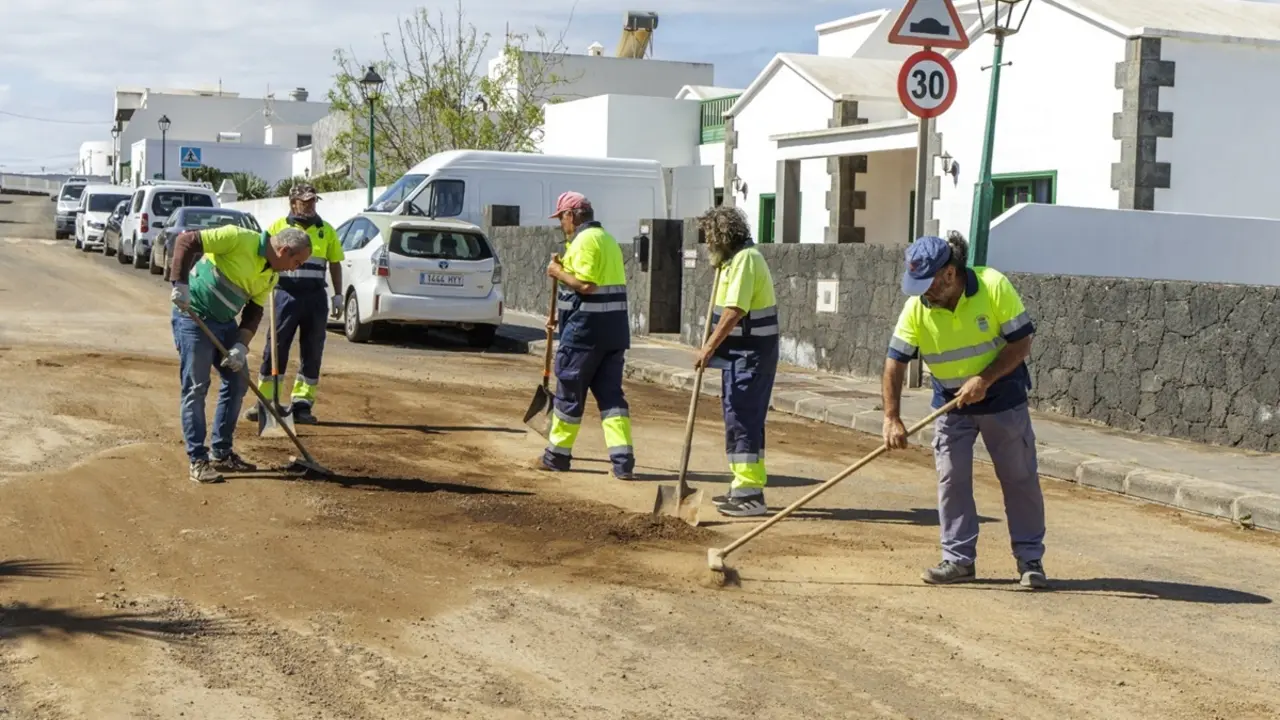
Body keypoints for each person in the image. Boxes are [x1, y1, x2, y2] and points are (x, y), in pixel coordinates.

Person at [881, 231, 1047, 588]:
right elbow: (894, 362)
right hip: (950, 405)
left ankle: (1030, 560)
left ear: (950, 274)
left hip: (1003, 397)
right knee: (952, 479)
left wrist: (984, 379)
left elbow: (1022, 344)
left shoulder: (993, 286)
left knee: (1019, 479)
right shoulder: (918, 307)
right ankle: (958, 560)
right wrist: (891, 417)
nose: (923, 293)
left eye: (928, 284)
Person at [169, 224, 313, 484]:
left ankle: (221, 453)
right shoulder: (238, 238)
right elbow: (186, 241)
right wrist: (180, 284)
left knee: (237, 381)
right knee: (196, 387)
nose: (296, 268)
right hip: (193, 317)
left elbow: (253, 312)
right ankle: (197, 460)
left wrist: (241, 347)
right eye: (297, 261)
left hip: (224, 325)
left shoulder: (271, 277)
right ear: (283, 250)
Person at [539, 191, 636, 480]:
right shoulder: (607, 240)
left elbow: (586, 285)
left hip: (585, 335)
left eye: (561, 219)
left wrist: (557, 271)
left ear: (571, 215)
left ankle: (556, 456)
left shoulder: (585, 241)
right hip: (613, 333)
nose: (561, 225)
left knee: (569, 393)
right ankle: (623, 461)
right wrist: (559, 315)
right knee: (611, 398)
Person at [692, 206, 779, 517]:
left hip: (750, 355)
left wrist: (708, 347)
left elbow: (735, 311)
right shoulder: (733, 262)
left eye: (709, 238)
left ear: (721, 236)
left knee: (743, 418)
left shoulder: (746, 261)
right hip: (738, 356)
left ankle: (751, 493)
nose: (707, 245)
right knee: (738, 416)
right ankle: (743, 485)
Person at [245, 183, 343, 425]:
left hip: (315, 296)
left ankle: (302, 404)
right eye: (305, 201)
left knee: (312, 348)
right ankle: (267, 401)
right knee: (276, 347)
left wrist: (338, 294)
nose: (310, 205)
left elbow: (335, 263)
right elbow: (265, 256)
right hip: (284, 294)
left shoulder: (326, 230)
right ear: (293, 203)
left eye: (313, 201)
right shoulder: (278, 227)